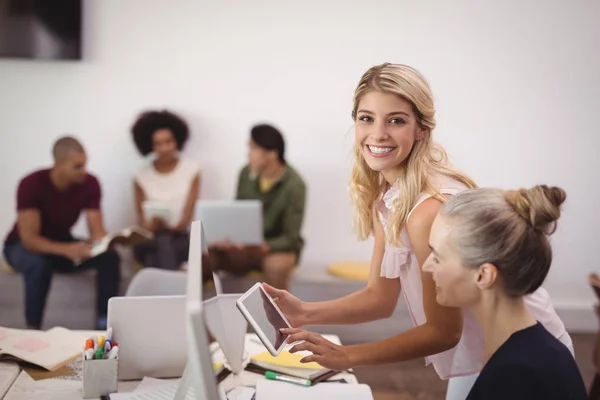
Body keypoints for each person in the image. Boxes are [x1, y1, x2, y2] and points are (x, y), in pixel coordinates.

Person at [263, 63, 570, 399]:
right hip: (488, 349)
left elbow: (443, 331)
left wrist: (348, 356)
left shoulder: (428, 211)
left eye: (396, 120)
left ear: (421, 129)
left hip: (521, 355)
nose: (378, 134)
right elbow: (380, 298)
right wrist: (304, 312)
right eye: (366, 118)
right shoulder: (389, 196)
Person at [422, 185, 586, 399]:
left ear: (483, 276)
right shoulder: (540, 353)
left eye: (437, 257)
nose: (426, 266)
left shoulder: (512, 378)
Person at [3, 136, 120, 330]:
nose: (84, 171)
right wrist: (67, 250)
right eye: (77, 166)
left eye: (85, 165)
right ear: (58, 163)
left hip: (60, 241)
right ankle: (33, 328)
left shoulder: (90, 183)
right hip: (20, 246)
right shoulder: (31, 184)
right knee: (39, 264)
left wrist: (107, 242)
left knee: (109, 257)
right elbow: (30, 240)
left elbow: (97, 230)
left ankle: (104, 325)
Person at [211, 124, 306, 290]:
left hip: (275, 248)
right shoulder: (245, 174)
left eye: (253, 148)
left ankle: (278, 314)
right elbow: (238, 213)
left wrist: (263, 246)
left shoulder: (295, 184)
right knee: (205, 257)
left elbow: (290, 237)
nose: (248, 153)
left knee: (275, 266)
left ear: (272, 153)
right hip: (246, 245)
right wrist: (229, 238)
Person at [131, 110, 201, 272]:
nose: (164, 148)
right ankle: (173, 295)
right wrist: (153, 226)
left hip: (181, 238)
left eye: (168, 141)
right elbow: (142, 221)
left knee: (158, 252)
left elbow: (186, 218)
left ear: (177, 141)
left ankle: (156, 294)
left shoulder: (192, 170)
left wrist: (171, 227)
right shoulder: (140, 174)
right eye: (158, 143)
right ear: (150, 145)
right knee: (159, 244)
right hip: (149, 238)